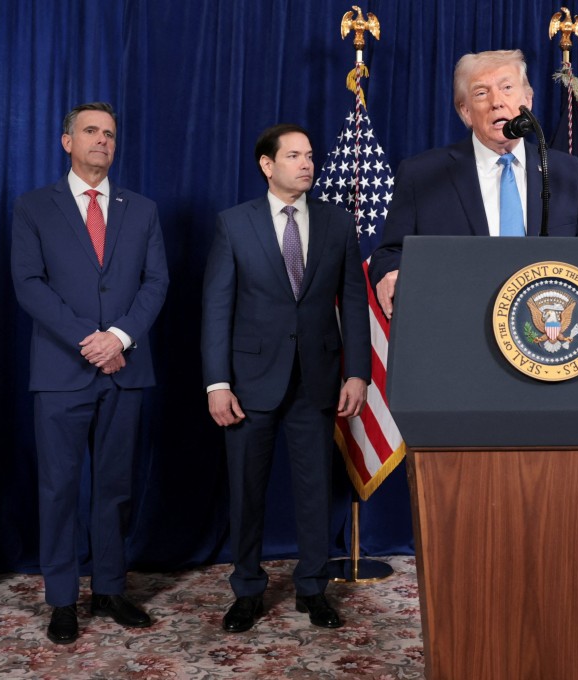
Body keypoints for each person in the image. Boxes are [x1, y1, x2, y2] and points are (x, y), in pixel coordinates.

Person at [201, 124, 371, 633]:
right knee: (246, 490)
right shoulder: (234, 224)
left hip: (317, 379)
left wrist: (357, 372)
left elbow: (355, 303)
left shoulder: (338, 223)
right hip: (249, 383)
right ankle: (247, 590)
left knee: (315, 488)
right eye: (294, 156)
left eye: (311, 156)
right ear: (267, 165)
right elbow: (216, 309)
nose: (307, 164)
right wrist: (217, 383)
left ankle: (313, 588)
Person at [11, 102, 169, 644]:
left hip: (126, 370)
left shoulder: (142, 209)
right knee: (58, 488)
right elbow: (29, 284)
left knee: (115, 488)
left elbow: (156, 284)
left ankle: (108, 587)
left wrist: (120, 337)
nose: (102, 140)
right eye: (90, 132)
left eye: (109, 134)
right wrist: (92, 341)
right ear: (66, 142)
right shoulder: (34, 207)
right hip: (61, 371)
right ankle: (62, 599)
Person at [368, 49, 578, 317]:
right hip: (458, 323)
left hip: (545, 331)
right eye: (481, 93)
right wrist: (392, 272)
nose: (496, 102)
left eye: (507, 88)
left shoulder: (566, 172)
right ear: (465, 111)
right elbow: (389, 254)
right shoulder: (422, 175)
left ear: (528, 99)